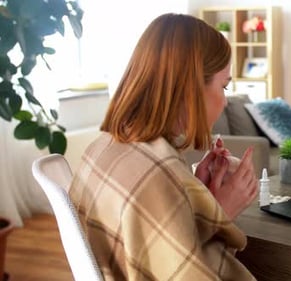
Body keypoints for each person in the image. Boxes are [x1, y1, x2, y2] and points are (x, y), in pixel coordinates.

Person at [68, 13, 258, 280]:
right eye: (224, 87)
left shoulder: (104, 145)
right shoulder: (158, 174)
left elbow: (154, 246)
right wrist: (224, 214)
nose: (225, 102)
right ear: (191, 88)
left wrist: (197, 195)